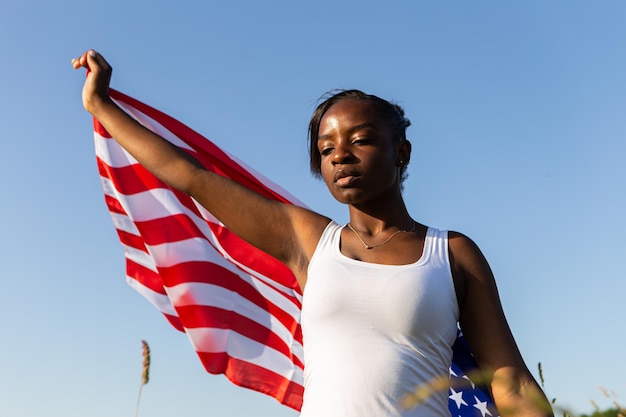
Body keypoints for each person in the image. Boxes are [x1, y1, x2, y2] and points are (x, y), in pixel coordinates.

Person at [72, 50, 553, 417]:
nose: (340, 154)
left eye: (360, 140)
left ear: (402, 152)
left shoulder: (451, 253)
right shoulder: (308, 240)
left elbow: (508, 378)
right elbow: (192, 177)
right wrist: (102, 105)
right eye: (327, 149)